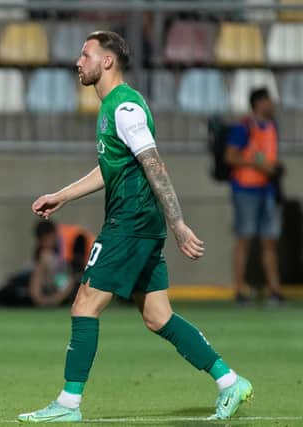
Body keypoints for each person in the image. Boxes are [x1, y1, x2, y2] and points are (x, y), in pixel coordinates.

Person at [18, 31, 252, 423]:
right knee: (158, 316)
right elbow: (111, 167)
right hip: (139, 223)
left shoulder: (124, 108)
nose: (79, 62)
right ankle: (230, 381)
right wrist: (63, 195)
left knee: (84, 304)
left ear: (107, 61)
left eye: (85, 54)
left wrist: (178, 223)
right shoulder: (115, 106)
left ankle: (68, 404)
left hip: (131, 222)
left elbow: (154, 164)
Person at [225, 88, 284, 305]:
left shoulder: (273, 126)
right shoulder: (244, 127)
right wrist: (259, 165)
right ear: (259, 103)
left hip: (268, 190)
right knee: (244, 239)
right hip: (245, 189)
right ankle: (240, 290)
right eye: (268, 101)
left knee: (270, 241)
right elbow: (230, 156)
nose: (272, 104)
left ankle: (274, 290)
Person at [0, 220, 90, 307]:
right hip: (60, 278)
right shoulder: (45, 249)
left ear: (53, 235)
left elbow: (74, 276)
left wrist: (55, 300)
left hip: (90, 274)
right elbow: (38, 270)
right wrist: (38, 298)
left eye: (46, 240)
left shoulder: (77, 239)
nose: (44, 244)